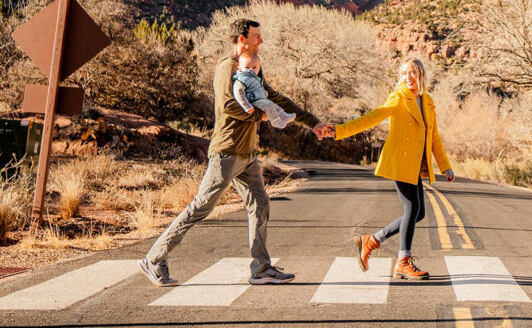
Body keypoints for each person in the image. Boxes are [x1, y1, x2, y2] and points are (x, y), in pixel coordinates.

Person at [138, 19, 334, 287]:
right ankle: (153, 257)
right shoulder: (226, 68)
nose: (260, 41)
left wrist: (313, 123)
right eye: (256, 36)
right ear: (242, 39)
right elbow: (230, 105)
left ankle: (261, 268)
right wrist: (261, 117)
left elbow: (275, 97)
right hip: (227, 152)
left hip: (248, 154)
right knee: (201, 207)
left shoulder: (252, 68)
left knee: (260, 204)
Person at [326, 58, 455, 280]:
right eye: (405, 73)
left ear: (421, 74)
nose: (408, 77)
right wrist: (339, 131)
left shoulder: (428, 101)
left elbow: (434, 137)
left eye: (413, 73)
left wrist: (446, 167)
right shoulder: (399, 97)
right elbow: (372, 118)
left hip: (416, 164)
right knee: (412, 208)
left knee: (419, 213)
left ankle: (373, 240)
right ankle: (403, 261)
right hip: (400, 161)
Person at [232, 53, 295, 129]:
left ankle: (284, 116)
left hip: (258, 99)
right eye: (247, 67)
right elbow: (238, 93)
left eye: (254, 67)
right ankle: (275, 121)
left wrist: (264, 93)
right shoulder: (241, 79)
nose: (251, 70)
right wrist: (247, 106)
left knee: (273, 105)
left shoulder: (255, 78)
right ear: (239, 68)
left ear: (259, 68)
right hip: (252, 101)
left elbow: (256, 89)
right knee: (268, 105)